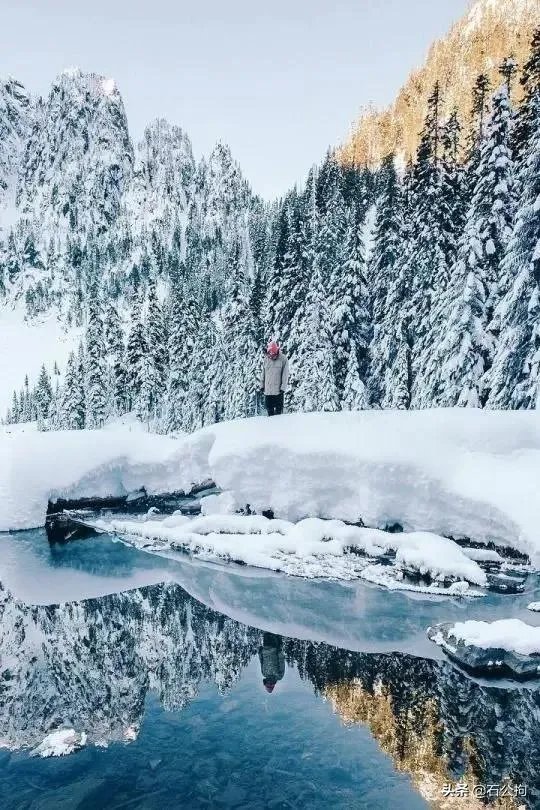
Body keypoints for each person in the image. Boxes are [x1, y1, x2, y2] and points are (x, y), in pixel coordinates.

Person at [260, 341, 289, 416]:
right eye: (270, 354)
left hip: (278, 392)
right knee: (270, 413)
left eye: (274, 354)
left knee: (278, 415)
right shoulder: (266, 359)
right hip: (268, 392)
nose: (272, 356)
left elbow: (285, 374)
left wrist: (283, 387)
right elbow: (263, 373)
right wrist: (262, 385)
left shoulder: (283, 359)